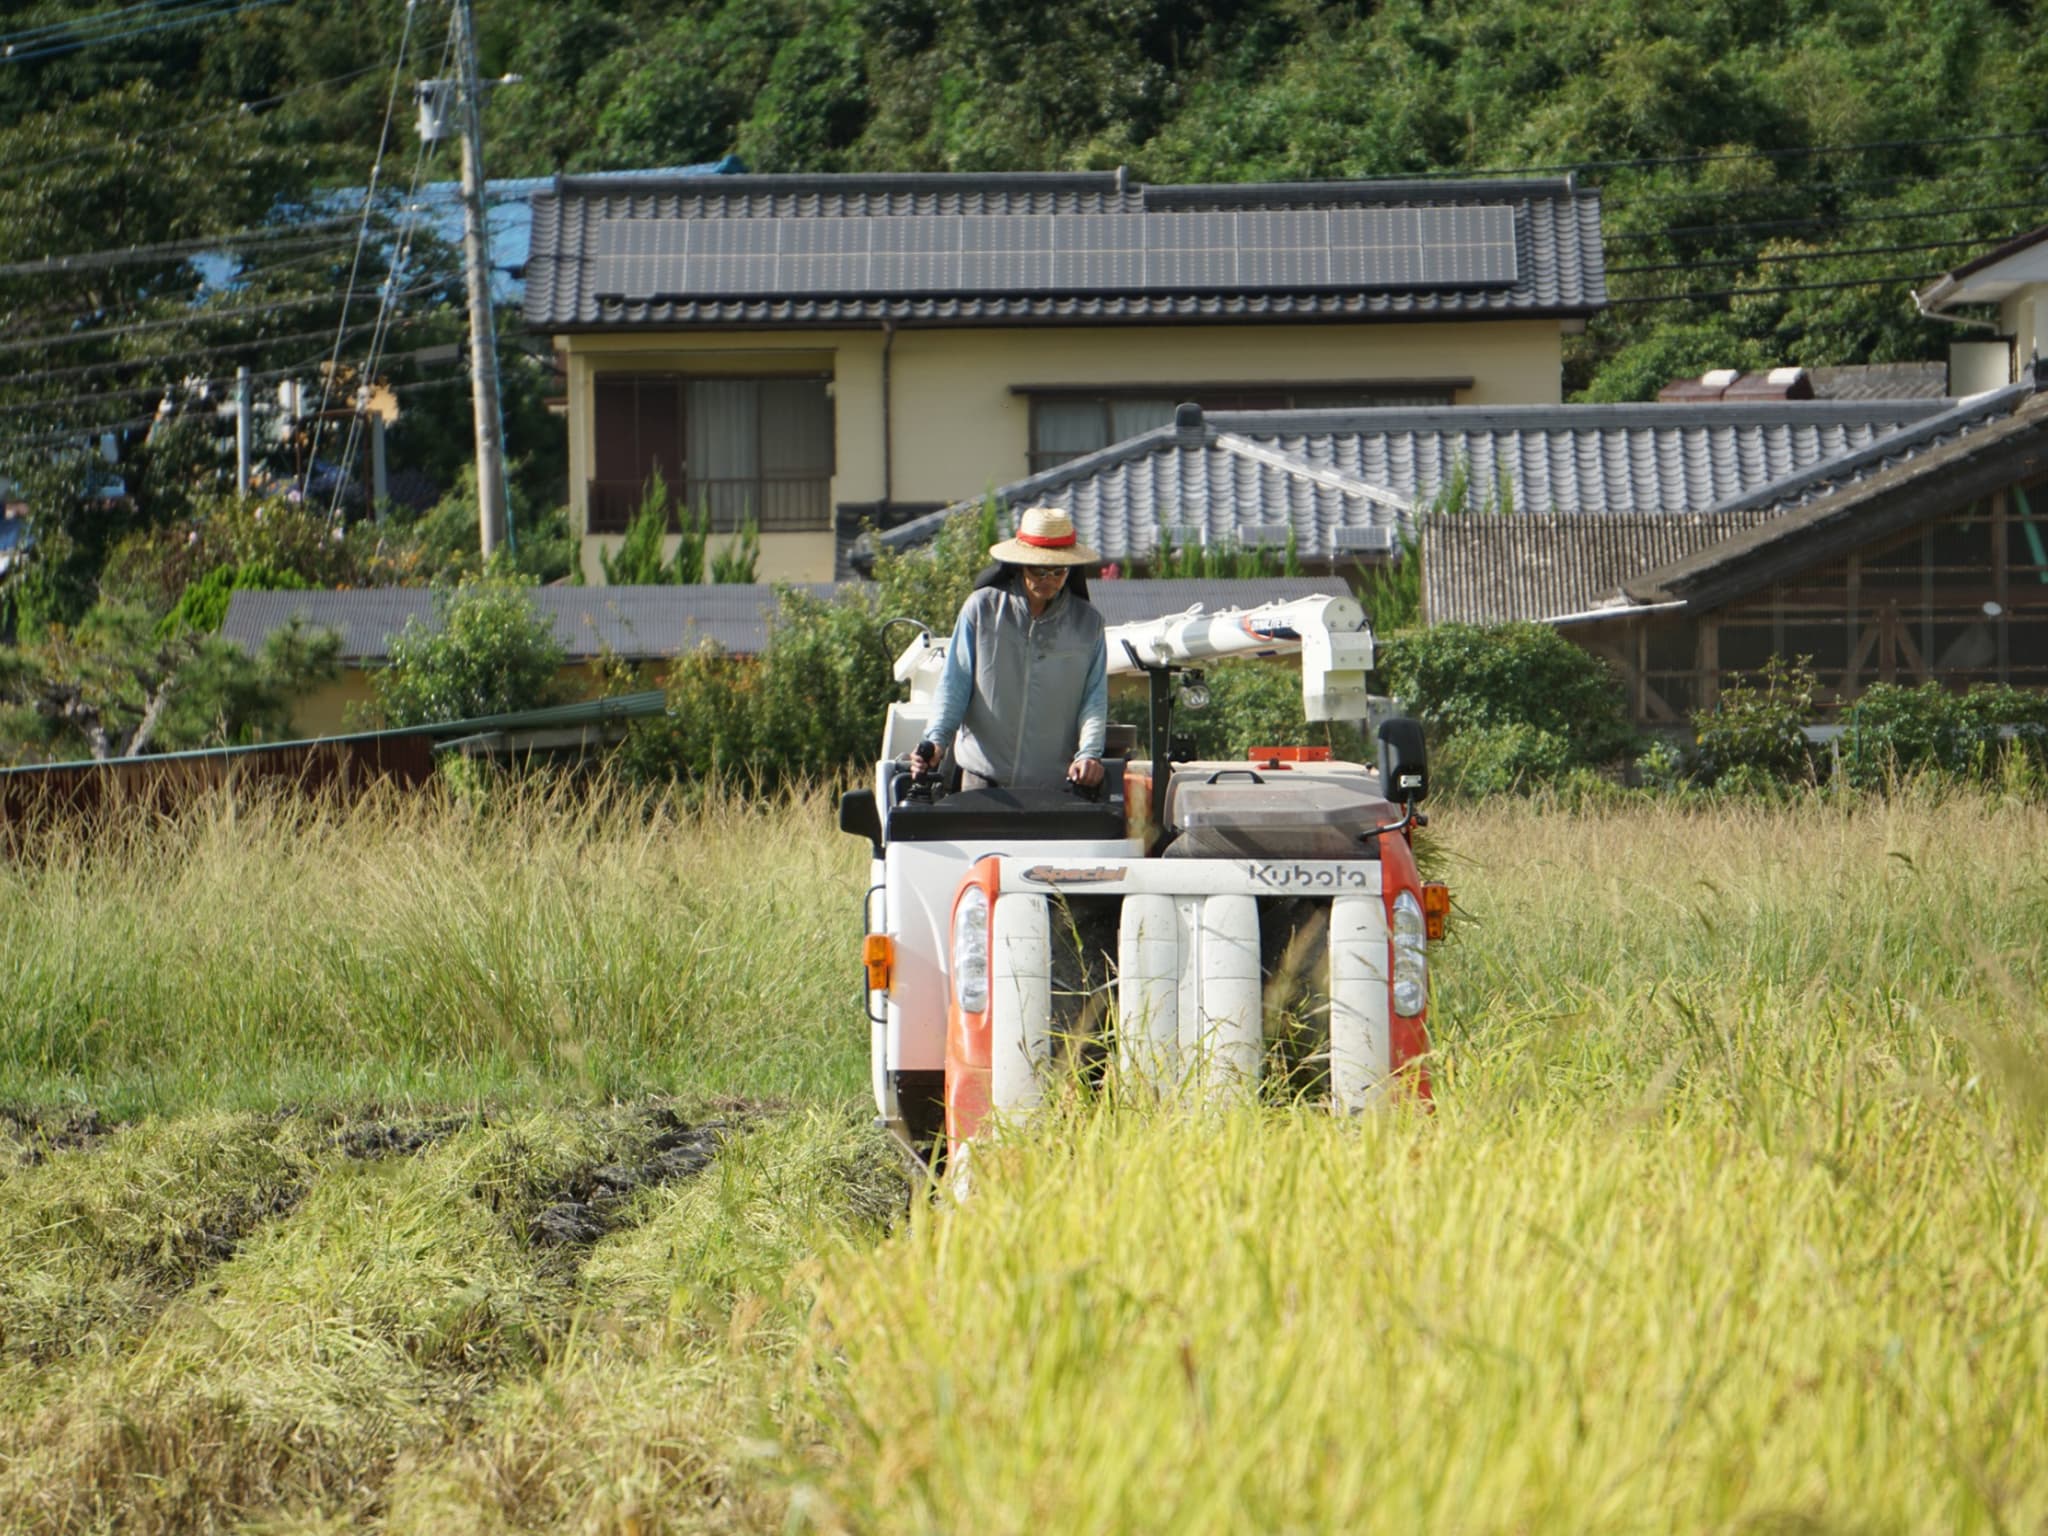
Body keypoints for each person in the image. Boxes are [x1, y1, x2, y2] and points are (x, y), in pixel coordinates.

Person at [912, 505, 1108, 792]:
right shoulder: (981, 609)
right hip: (981, 781)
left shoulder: (1088, 624)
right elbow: (955, 683)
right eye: (1039, 570)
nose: (1048, 580)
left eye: (1058, 571)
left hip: (1053, 785)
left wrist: (1089, 754)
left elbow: (1094, 698)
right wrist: (937, 741)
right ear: (1020, 564)